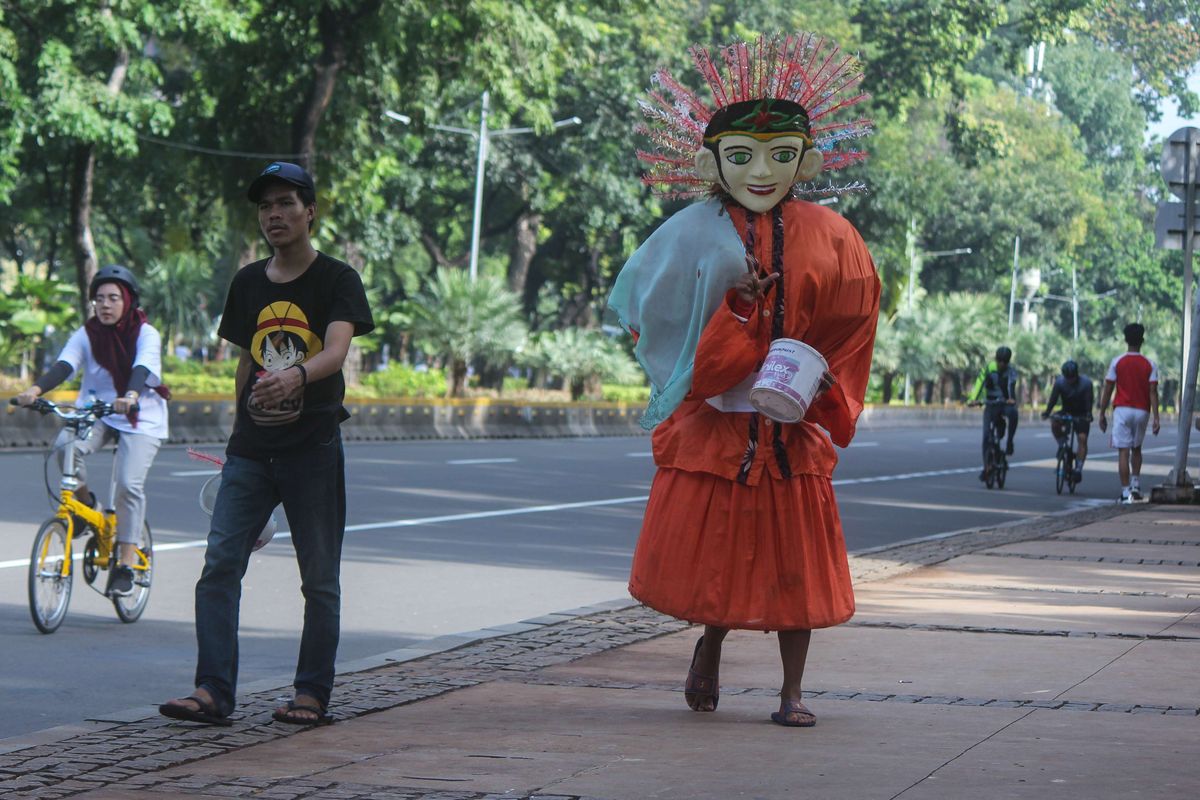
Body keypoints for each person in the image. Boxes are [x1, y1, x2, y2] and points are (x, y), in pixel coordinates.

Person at [608, 33, 879, 728]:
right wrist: (740, 309)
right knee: (723, 564)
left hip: (793, 426)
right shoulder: (689, 235)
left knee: (797, 569)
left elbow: (855, 325)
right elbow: (658, 327)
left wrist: (822, 382)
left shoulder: (836, 236)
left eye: (781, 157)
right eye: (742, 157)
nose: (762, 171)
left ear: (806, 161)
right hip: (721, 430)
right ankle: (711, 643)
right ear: (711, 162)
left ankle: (791, 693)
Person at [160, 161, 374, 727]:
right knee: (220, 565)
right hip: (252, 452)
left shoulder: (337, 279)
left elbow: (335, 350)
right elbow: (245, 361)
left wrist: (297, 376)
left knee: (319, 579)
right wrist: (237, 434)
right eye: (264, 206)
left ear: (310, 212)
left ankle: (311, 694)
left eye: (285, 203)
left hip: (313, 448)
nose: (274, 215)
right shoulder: (248, 282)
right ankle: (212, 691)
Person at [13, 264, 169, 597]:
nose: (106, 305)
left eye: (114, 298)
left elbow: (142, 367)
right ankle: (85, 509)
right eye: (99, 298)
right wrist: (35, 391)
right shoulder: (88, 333)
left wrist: (130, 395)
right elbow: (65, 364)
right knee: (64, 446)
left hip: (141, 416)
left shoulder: (146, 333)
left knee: (128, 484)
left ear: (128, 300)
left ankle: (125, 562)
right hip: (98, 412)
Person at [1098, 323, 1159, 503]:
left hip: (1122, 410)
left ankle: (1125, 494)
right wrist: (1156, 417)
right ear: (1142, 340)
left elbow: (1108, 388)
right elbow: (1153, 392)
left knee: (1123, 451)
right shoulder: (1150, 364)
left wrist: (1101, 413)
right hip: (1142, 411)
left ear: (1125, 340)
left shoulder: (1117, 362)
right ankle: (1136, 485)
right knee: (1137, 448)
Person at [969, 346, 1019, 480]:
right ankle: (987, 467)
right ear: (996, 359)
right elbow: (979, 383)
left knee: (1013, 413)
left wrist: (1011, 399)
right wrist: (973, 399)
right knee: (986, 436)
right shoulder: (988, 368)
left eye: (1005, 361)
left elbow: (1011, 386)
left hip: (1004, 404)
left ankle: (1010, 441)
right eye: (1000, 361)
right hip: (990, 404)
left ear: (1008, 362)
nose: (1002, 364)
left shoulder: (1011, 372)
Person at [1041, 359, 1094, 483]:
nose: (1070, 380)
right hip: (1066, 411)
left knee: (1082, 439)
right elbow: (1053, 399)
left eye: (1072, 377)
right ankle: (1062, 445)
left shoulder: (1086, 384)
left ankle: (1078, 469)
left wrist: (1088, 415)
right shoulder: (1060, 383)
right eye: (1067, 378)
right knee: (1055, 422)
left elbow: (1089, 402)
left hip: (1081, 413)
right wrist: (1047, 412)